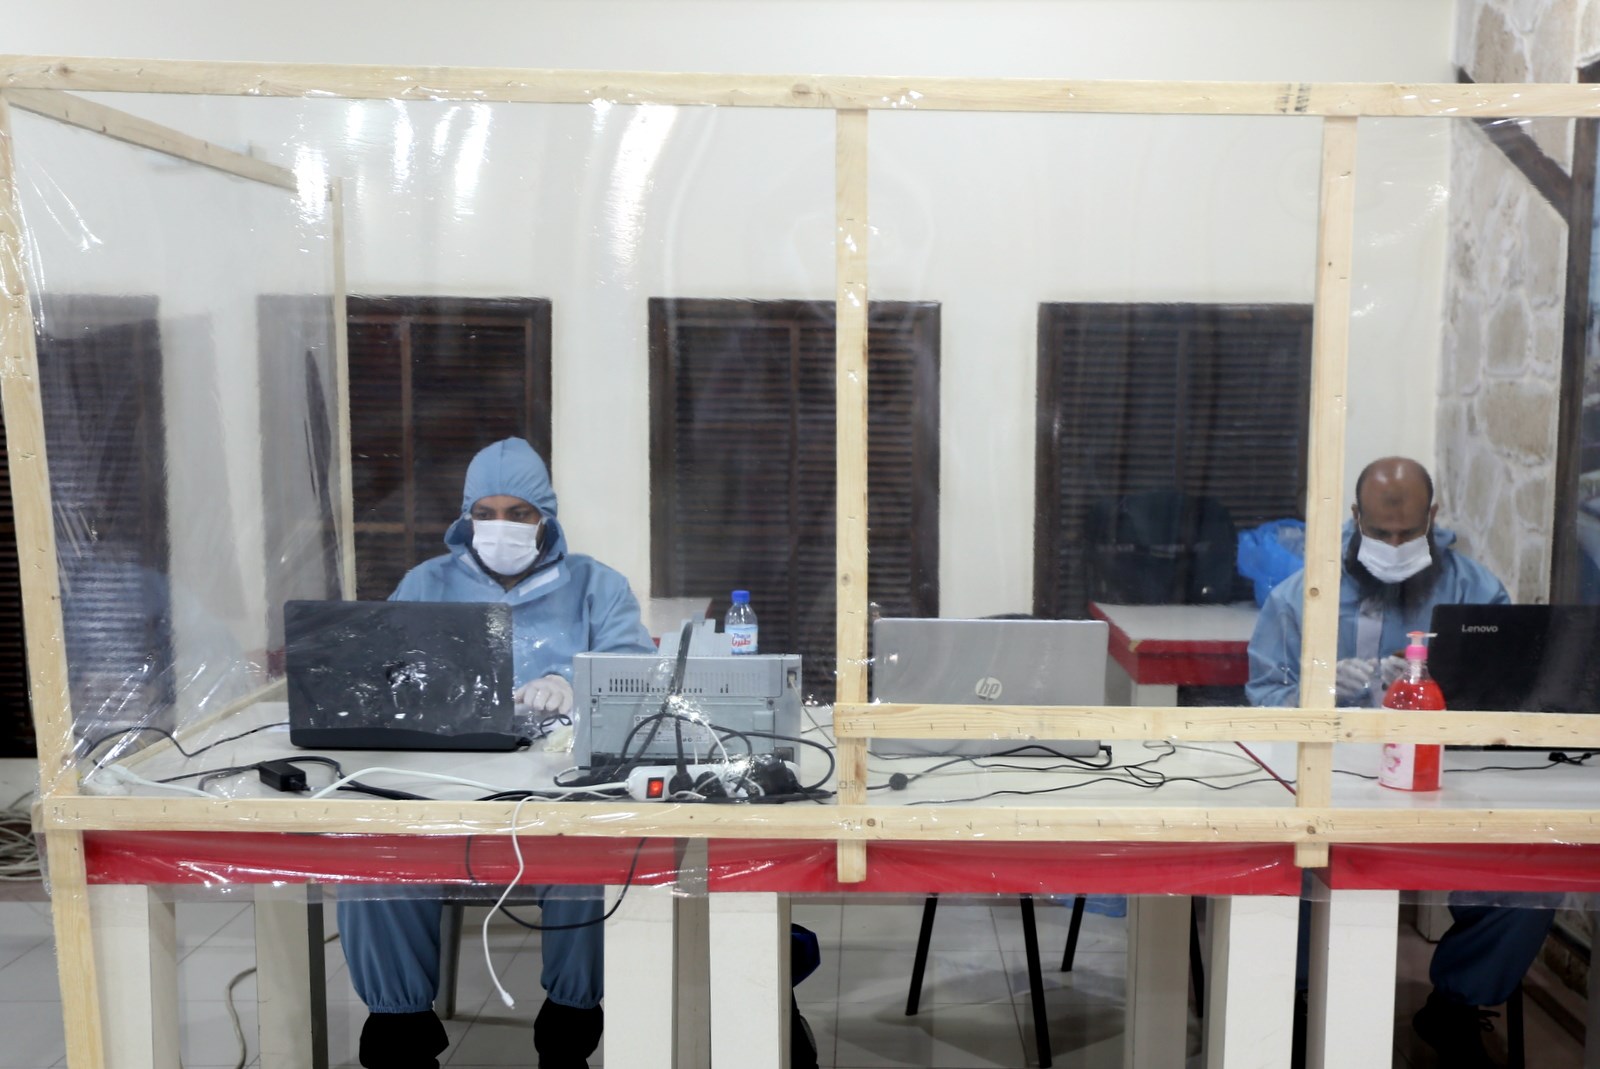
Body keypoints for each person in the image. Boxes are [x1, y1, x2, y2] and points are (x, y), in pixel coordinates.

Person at [337, 437, 655, 1069]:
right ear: (466, 516)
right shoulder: (426, 584)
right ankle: (400, 1035)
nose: (500, 526)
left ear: (546, 519)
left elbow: (636, 679)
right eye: (485, 513)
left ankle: (568, 1032)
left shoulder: (596, 586)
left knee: (594, 865)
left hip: (555, 798)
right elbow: (380, 678)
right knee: (375, 866)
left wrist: (575, 685)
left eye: (518, 513)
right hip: (438, 796)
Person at [1246, 456, 1556, 1068]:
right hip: (1329, 779)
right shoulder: (1301, 595)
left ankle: (1457, 1004)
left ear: (1433, 517)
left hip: (1443, 782)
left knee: (1531, 875)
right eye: (1380, 533)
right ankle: (1296, 999)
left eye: (1407, 533)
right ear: (1354, 517)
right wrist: (1319, 692)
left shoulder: (1476, 592)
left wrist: (1441, 697)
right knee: (1284, 859)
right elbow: (1262, 702)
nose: (1393, 547)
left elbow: (1502, 701)